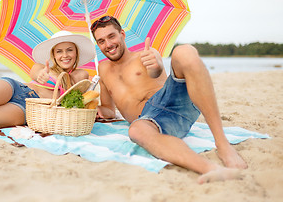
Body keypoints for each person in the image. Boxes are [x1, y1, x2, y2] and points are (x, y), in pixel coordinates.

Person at [90, 16, 247, 184]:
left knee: (183, 51)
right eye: (101, 41)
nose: (108, 44)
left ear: (122, 34)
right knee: (136, 131)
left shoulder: (145, 55)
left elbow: (156, 71)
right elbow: (108, 108)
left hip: (171, 100)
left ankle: (223, 144)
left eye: (111, 36)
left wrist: (155, 66)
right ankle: (212, 170)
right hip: (153, 122)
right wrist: (98, 111)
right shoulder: (103, 69)